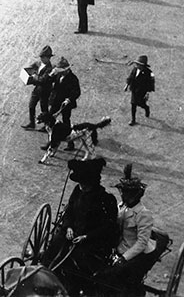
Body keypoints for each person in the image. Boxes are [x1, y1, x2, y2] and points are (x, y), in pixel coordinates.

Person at [44, 157, 118, 294]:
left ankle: (72, 288)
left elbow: (109, 227)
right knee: (56, 243)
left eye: (85, 184)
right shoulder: (77, 191)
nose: (82, 186)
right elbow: (69, 212)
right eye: (80, 183)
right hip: (71, 233)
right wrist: (69, 227)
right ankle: (46, 273)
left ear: (93, 183)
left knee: (78, 261)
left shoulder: (106, 200)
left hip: (92, 241)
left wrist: (86, 236)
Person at [96, 164, 157, 292]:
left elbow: (141, 242)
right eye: (122, 192)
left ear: (135, 195)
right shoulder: (121, 207)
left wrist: (124, 258)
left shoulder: (143, 214)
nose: (123, 195)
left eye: (126, 193)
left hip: (134, 254)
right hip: (118, 248)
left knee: (112, 277)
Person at [49, 56, 82, 149]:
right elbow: (49, 82)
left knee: (66, 121)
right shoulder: (58, 75)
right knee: (50, 117)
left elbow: (77, 92)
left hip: (65, 104)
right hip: (56, 101)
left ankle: (70, 143)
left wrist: (69, 99)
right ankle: (50, 143)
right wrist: (50, 75)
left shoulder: (73, 79)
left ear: (66, 70)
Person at [22, 45, 55, 130]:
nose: (42, 59)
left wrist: (34, 76)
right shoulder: (39, 63)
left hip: (45, 90)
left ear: (48, 58)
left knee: (44, 108)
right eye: (41, 57)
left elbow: (43, 80)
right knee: (31, 105)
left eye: (43, 57)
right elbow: (31, 67)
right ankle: (32, 122)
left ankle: (46, 125)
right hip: (37, 88)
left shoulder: (50, 68)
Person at [125, 55, 155, 125]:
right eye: (137, 64)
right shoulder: (135, 69)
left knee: (141, 104)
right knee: (133, 104)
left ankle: (146, 108)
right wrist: (126, 85)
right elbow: (130, 77)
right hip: (134, 90)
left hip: (142, 92)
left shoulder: (148, 73)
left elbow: (150, 83)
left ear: (143, 66)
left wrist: (147, 93)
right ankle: (133, 120)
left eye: (139, 64)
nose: (137, 65)